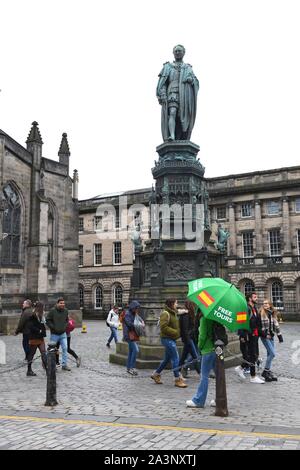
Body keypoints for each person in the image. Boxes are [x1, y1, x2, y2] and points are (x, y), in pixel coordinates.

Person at [156, 45, 199, 142]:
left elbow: (196, 82)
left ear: (184, 53)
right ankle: (172, 136)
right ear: (173, 53)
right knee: (172, 112)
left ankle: (180, 136)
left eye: (179, 51)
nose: (178, 53)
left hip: (185, 96)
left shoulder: (188, 68)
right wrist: (162, 93)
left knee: (181, 117)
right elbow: (162, 82)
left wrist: (191, 80)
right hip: (172, 92)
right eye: (176, 51)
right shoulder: (168, 67)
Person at [151, 298, 187, 388]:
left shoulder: (172, 312)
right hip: (167, 339)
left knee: (167, 359)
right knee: (176, 358)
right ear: (171, 304)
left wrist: (186, 311)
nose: (177, 304)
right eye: (176, 303)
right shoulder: (165, 313)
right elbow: (163, 327)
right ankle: (177, 379)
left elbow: (178, 312)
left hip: (171, 339)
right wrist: (175, 332)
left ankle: (156, 374)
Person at [186, 316, 217, 408]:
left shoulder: (204, 319)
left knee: (204, 376)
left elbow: (202, 336)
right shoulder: (215, 318)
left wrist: (199, 347)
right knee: (219, 376)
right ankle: (219, 399)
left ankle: (199, 400)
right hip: (217, 349)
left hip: (207, 350)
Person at [235, 292, 265, 384]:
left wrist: (262, 333)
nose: (257, 298)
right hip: (248, 335)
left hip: (254, 335)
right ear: (249, 298)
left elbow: (257, 323)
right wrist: (243, 336)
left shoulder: (254, 308)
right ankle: (253, 376)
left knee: (254, 355)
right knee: (251, 355)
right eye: (255, 297)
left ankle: (240, 368)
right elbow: (240, 322)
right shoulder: (245, 308)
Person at [259, 300, 283, 382]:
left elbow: (276, 324)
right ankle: (265, 371)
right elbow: (259, 327)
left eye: (266, 303)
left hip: (271, 336)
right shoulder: (261, 313)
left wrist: (279, 336)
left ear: (270, 305)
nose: (264, 304)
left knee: (269, 354)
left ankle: (267, 373)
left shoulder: (272, 313)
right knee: (272, 354)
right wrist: (265, 335)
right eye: (263, 303)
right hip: (265, 337)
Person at [46, 298, 70, 371]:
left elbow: (67, 320)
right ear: (57, 303)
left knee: (65, 348)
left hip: (63, 334)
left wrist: (65, 326)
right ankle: (49, 364)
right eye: (61, 303)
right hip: (54, 334)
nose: (62, 304)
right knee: (52, 350)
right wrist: (53, 327)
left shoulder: (66, 311)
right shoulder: (52, 311)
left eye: (63, 303)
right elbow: (48, 320)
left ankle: (64, 365)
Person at [178, 301, 200, 376]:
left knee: (183, 358)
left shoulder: (189, 314)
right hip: (188, 339)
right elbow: (185, 329)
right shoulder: (186, 315)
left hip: (191, 339)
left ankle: (178, 372)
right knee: (195, 357)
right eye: (194, 305)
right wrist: (188, 341)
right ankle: (201, 373)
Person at [26, 301, 47, 377]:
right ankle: (29, 370)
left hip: (40, 338)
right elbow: (30, 326)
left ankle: (47, 370)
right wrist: (39, 330)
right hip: (34, 338)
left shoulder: (42, 315)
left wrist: (43, 332)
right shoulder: (32, 316)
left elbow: (43, 325)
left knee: (44, 353)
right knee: (31, 354)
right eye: (42, 307)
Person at [122, 300, 141, 376]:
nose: (137, 310)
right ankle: (132, 368)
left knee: (131, 351)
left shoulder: (133, 314)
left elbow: (137, 321)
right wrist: (138, 325)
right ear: (133, 308)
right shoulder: (127, 314)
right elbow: (130, 325)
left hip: (132, 335)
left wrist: (140, 322)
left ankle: (128, 368)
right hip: (129, 335)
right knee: (136, 350)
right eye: (136, 308)